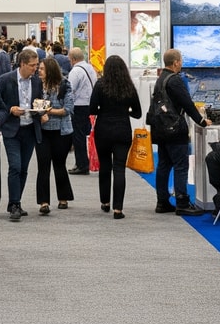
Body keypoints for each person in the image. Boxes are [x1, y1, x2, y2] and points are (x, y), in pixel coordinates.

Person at [152, 49, 208, 217]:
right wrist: (202, 121)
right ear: (176, 62)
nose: (181, 62)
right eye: (181, 60)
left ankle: (162, 201)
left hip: (161, 129)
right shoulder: (175, 80)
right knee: (181, 166)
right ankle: (182, 203)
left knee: (163, 165)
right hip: (175, 130)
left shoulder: (160, 79)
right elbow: (188, 104)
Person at [88, 56, 142, 218]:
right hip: (122, 130)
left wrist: (103, 111)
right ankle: (118, 208)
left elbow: (92, 109)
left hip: (103, 129)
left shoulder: (100, 85)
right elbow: (138, 113)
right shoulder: (129, 87)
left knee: (105, 166)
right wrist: (125, 112)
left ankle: (105, 202)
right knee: (119, 168)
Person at [0, 48, 42, 221]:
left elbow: (39, 100)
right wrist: (10, 110)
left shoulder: (36, 82)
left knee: (23, 169)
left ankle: (17, 202)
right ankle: (14, 203)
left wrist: (42, 110)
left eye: (36, 65)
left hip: (30, 128)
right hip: (11, 129)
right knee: (15, 166)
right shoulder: (5, 80)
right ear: (22, 64)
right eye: (32, 65)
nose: (35, 69)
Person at [32, 57, 73, 215]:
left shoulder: (64, 85)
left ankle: (63, 197)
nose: (38, 71)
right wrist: (40, 114)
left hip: (61, 132)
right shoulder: (36, 85)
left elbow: (67, 109)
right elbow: (34, 105)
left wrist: (48, 111)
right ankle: (44, 202)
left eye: (41, 69)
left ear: (50, 70)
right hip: (42, 131)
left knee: (59, 164)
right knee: (43, 165)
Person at [66, 48, 97, 175]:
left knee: (77, 136)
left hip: (79, 106)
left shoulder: (76, 71)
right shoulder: (90, 68)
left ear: (73, 59)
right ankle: (84, 162)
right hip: (90, 105)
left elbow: (70, 89)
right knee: (85, 135)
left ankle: (82, 164)